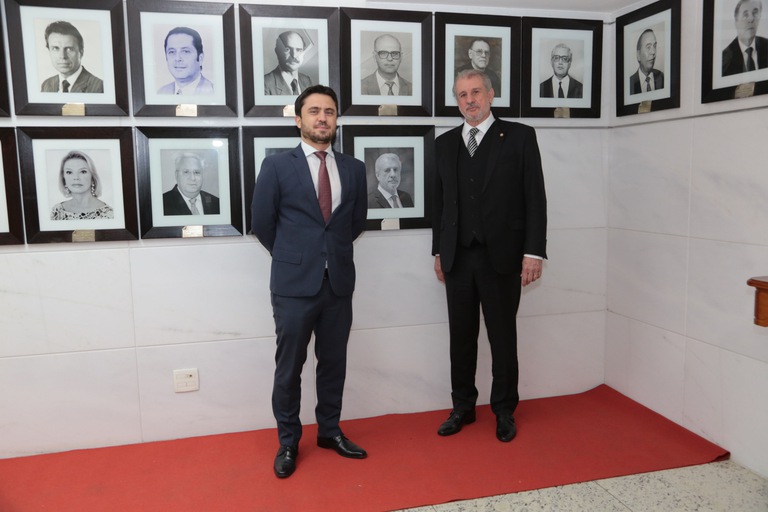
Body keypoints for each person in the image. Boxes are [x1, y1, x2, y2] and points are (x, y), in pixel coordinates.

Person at [251, 85, 368, 478]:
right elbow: (262, 223)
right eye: (314, 111)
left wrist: (328, 256)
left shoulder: (353, 169)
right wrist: (296, 256)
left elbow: (354, 224)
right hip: (293, 286)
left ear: (336, 120)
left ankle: (329, 431)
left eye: (329, 112)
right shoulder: (276, 166)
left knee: (333, 363)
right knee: (289, 368)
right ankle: (288, 442)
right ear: (298, 119)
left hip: (338, 284)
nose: (322, 118)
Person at [432, 69, 547, 443]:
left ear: (491, 94)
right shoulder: (445, 143)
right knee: (460, 338)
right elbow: (440, 204)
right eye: (462, 94)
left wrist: (533, 252)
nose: (470, 100)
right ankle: (462, 407)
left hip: (503, 258)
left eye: (476, 92)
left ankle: (504, 410)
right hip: (458, 258)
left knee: (502, 338)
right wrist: (439, 251)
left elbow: (535, 197)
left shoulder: (519, 137)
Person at [41, 21, 103, 94]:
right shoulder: (46, 85)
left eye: (69, 49)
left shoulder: (99, 88)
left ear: (81, 52)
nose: (62, 56)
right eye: (55, 48)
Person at [50, 150, 113, 220]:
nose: (76, 178)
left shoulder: (108, 214)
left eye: (83, 172)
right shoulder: (57, 211)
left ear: (92, 177)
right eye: (69, 172)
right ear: (63, 178)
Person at [158, 27, 213, 95]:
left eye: (185, 51)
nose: (177, 58)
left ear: (200, 58)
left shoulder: (214, 92)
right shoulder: (161, 93)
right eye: (172, 52)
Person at [722, 0, 768, 76]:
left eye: (755, 13)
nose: (751, 19)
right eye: (745, 15)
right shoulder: (724, 59)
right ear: (736, 21)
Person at [264, 31, 313, 95]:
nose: (294, 55)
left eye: (298, 50)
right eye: (287, 49)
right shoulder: (265, 83)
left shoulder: (306, 80)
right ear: (277, 51)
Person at [629, 29, 665, 94]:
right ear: (638, 55)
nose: (653, 52)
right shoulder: (629, 84)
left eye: (654, 46)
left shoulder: (662, 77)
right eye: (648, 47)